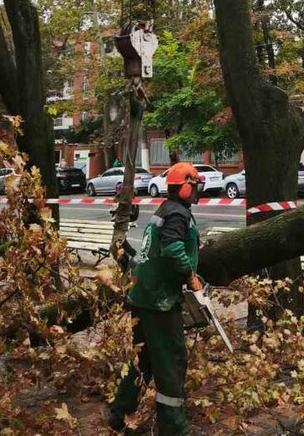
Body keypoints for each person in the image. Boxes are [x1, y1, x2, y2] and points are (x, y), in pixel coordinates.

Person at [109, 162, 204, 435]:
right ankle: (173, 426)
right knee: (171, 361)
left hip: (142, 295)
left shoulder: (166, 209)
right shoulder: (177, 214)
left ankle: (119, 413)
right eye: (194, 187)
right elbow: (173, 248)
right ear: (185, 188)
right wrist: (190, 276)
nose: (196, 192)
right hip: (158, 301)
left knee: (144, 358)